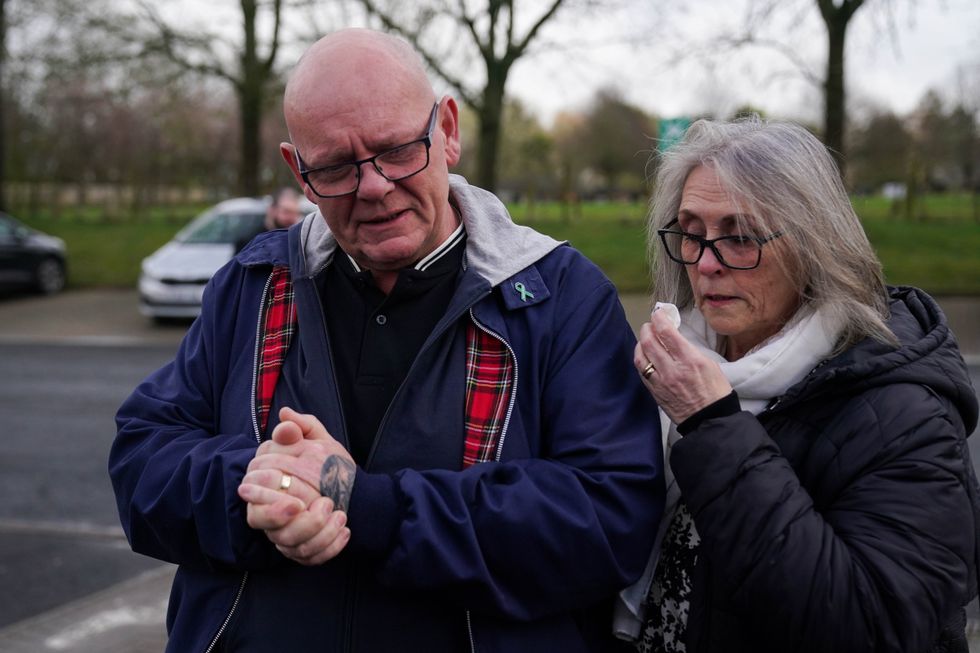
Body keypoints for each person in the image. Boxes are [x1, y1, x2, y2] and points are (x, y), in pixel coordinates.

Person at [109, 28, 664, 652]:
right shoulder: (252, 285)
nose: (373, 186)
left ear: (447, 130)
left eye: (398, 150)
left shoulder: (561, 296)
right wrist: (261, 490)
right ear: (299, 170)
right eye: (337, 168)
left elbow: (609, 517)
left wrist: (365, 506)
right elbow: (141, 460)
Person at [613, 117, 980, 652]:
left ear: (814, 243)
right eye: (691, 232)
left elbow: (871, 628)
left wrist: (712, 424)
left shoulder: (905, 411)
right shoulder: (677, 362)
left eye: (740, 238)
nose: (707, 263)